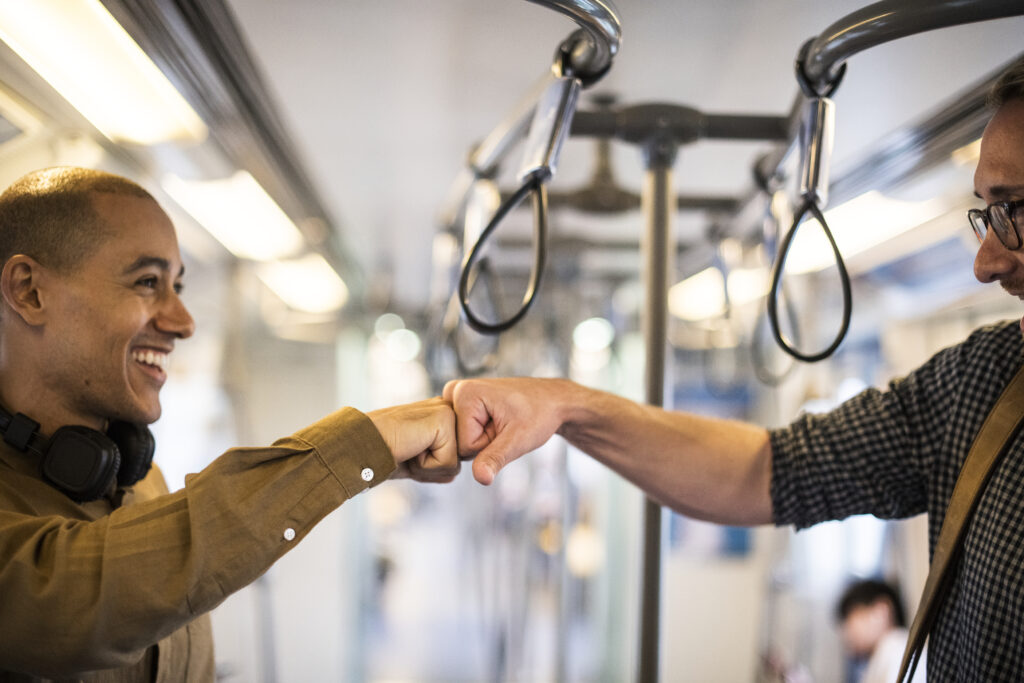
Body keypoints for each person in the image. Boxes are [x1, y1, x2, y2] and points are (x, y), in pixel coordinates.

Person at [444, 56, 1024, 681]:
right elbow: (770, 470)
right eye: (986, 215)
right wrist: (567, 406)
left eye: (1012, 209)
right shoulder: (983, 384)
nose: (985, 263)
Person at [0, 167, 460, 680]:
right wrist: (359, 445)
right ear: (30, 291)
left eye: (177, 286)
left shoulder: (138, 480)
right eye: (147, 282)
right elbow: (74, 595)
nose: (183, 322)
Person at [836, 579, 923, 683]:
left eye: (852, 618)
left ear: (881, 610)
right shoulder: (883, 654)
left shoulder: (898, 649)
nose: (847, 632)